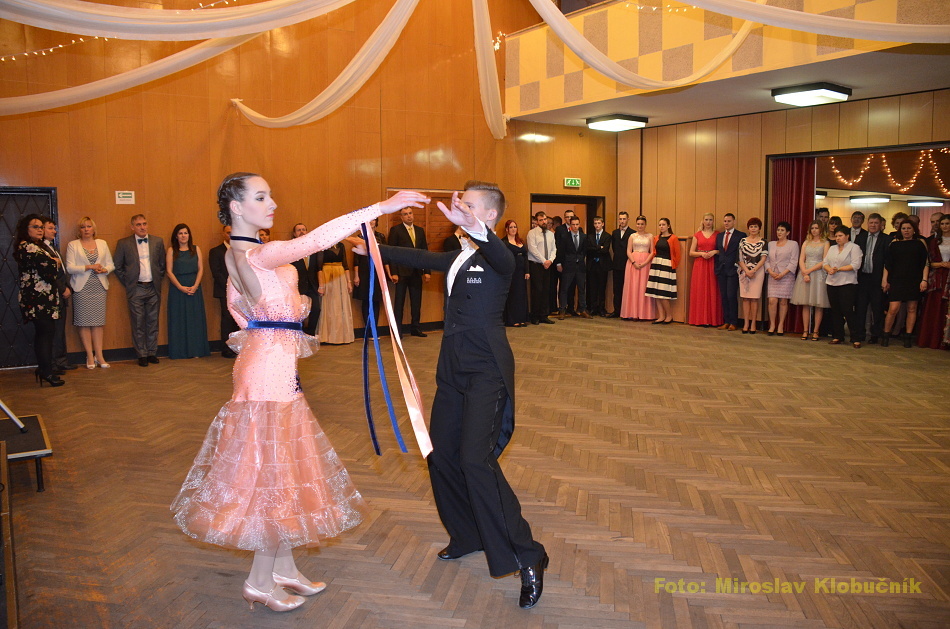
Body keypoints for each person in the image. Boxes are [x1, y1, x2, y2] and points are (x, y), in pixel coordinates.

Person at [172, 172, 427, 613]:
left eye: (270, 194)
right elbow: (317, 239)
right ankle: (259, 580)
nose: (272, 203)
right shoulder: (259, 253)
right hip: (267, 369)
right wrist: (379, 209)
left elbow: (243, 309)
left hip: (269, 362)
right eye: (260, 197)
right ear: (236, 207)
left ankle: (284, 567)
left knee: (282, 466)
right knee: (273, 473)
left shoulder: (239, 253)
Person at [367, 181, 549, 609]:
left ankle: (528, 555)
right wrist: (372, 249)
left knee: (475, 460)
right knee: (441, 454)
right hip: (452, 368)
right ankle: (467, 534)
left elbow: (498, 253)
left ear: (489, 216)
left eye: (469, 207)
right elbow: (420, 258)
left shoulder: (502, 256)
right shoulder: (459, 256)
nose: (459, 211)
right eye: (459, 205)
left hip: (487, 369)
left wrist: (477, 229)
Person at [14, 214, 64, 387]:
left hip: (41, 298)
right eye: (35, 227)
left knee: (46, 333)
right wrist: (55, 262)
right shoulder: (28, 246)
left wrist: (53, 262)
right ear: (26, 229)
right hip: (37, 299)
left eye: (41, 227)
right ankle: (46, 371)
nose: (40, 230)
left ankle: (44, 369)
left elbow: (48, 266)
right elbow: (49, 271)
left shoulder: (36, 246)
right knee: (45, 334)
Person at [113, 214, 166, 367]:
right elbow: (117, 266)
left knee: (153, 321)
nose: (142, 227)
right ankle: (141, 354)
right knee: (137, 323)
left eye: (144, 224)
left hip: (153, 287)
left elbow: (162, 265)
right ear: (132, 227)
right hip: (136, 288)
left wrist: (158, 278)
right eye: (138, 225)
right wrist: (129, 282)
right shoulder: (123, 243)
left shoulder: (157, 241)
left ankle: (152, 352)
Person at [65, 216, 114, 368]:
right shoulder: (73, 245)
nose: (86, 229)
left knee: (98, 323)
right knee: (84, 323)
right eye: (83, 227)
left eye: (89, 226)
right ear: (79, 230)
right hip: (81, 288)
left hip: (99, 287)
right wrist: (89, 267)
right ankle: (89, 356)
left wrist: (104, 269)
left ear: (94, 229)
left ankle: (99, 356)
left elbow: (110, 264)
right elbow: (70, 268)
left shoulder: (102, 243)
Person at [881, 219, 930, 347]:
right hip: (897, 279)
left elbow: (925, 263)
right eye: (903, 228)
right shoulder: (894, 243)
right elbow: (887, 264)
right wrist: (885, 280)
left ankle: (908, 336)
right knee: (893, 309)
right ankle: (886, 335)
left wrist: (924, 280)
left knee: (912, 308)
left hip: (914, 280)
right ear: (900, 230)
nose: (906, 231)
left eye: (909, 228)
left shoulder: (920, 243)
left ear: (914, 230)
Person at [166, 223, 210, 359]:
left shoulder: (196, 249)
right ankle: (179, 352)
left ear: (189, 235)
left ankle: (196, 350)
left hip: (194, 288)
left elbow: (201, 269)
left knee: (194, 320)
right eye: (180, 233)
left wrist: (195, 286)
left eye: (185, 233)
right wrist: (180, 287)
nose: (183, 236)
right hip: (177, 289)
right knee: (178, 320)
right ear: (176, 236)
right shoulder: (171, 250)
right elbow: (169, 271)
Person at [388, 207, 431, 337]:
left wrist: (427, 271)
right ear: (401, 217)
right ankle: (397, 330)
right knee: (399, 303)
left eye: (410, 213)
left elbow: (424, 251)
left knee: (416, 302)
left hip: (416, 271)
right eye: (405, 214)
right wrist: (394, 272)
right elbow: (391, 252)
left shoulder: (420, 230)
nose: (409, 216)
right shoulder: (396, 230)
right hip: (401, 272)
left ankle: (415, 328)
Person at [42, 218, 75, 373]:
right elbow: (50, 275)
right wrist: (62, 289)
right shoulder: (41, 249)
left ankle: (61, 360)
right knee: (52, 331)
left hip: (61, 295)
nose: (54, 231)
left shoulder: (53, 247)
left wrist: (68, 287)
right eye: (50, 228)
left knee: (60, 330)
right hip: (52, 295)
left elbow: (62, 272)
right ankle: (52, 364)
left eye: (54, 228)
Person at [823, 226, 864, 348]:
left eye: (840, 236)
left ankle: (855, 337)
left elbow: (856, 265)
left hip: (847, 283)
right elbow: (825, 263)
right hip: (832, 282)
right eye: (836, 236)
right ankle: (838, 336)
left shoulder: (854, 247)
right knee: (835, 310)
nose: (838, 238)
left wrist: (839, 269)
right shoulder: (832, 248)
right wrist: (829, 269)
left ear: (847, 236)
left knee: (848, 310)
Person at [854, 213, 891, 344]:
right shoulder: (861, 237)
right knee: (860, 308)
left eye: (876, 223)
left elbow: (888, 261)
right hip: (862, 278)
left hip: (878, 279)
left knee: (877, 309)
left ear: (881, 224)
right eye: (871, 223)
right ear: (867, 224)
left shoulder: (886, 239)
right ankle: (859, 334)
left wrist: (886, 280)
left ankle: (875, 335)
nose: (873, 225)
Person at [791, 221, 830, 341]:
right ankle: (805, 330)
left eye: (816, 228)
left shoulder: (825, 243)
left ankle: (816, 331)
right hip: (805, 274)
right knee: (806, 303)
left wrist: (809, 270)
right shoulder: (806, 242)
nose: (814, 230)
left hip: (818, 274)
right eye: (812, 228)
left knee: (818, 304)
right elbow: (801, 259)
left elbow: (824, 261)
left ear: (821, 229)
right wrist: (804, 271)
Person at [918, 214, 950, 349]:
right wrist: (941, 264)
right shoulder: (934, 241)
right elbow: (929, 262)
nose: (944, 226)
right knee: (934, 308)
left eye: (947, 223)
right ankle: (932, 340)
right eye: (942, 224)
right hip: (936, 278)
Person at [352, 217, 388, 333]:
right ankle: (368, 330)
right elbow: (356, 259)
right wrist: (356, 275)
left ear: (376, 221)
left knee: (376, 300)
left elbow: (386, 256)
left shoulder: (381, 236)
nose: (372, 221)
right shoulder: (359, 237)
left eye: (374, 219)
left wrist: (388, 273)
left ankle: (375, 329)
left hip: (377, 271)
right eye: (369, 219)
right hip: (364, 271)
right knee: (366, 300)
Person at [316, 241, 354, 344]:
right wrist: (321, 285)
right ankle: (328, 337)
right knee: (329, 305)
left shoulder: (341, 245)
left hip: (340, 275)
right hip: (327, 275)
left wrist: (349, 282)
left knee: (340, 305)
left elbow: (346, 265)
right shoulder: (322, 245)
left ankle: (342, 336)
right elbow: (319, 268)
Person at [209, 225, 239, 358]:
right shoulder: (216, 251)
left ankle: (237, 347)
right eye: (228, 233)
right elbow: (216, 273)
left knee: (237, 320)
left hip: (240, 291)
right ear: (223, 234)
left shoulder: (240, 250)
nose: (231, 235)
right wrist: (229, 287)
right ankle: (226, 348)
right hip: (224, 290)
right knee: (227, 319)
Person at [687, 213, 721, 327]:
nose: (708, 222)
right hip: (700, 265)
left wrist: (714, 252)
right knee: (700, 291)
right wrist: (701, 254)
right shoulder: (697, 235)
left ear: (713, 221)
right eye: (706, 219)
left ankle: (712, 319)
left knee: (713, 290)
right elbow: (691, 252)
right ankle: (700, 319)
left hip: (713, 264)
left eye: (710, 220)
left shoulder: (718, 234)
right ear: (703, 221)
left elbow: (722, 251)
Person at [765, 222, 799, 335]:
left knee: (783, 301)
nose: (779, 232)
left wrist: (782, 274)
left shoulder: (793, 244)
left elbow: (794, 261)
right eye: (778, 230)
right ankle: (772, 325)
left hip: (786, 276)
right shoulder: (771, 244)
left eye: (782, 230)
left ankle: (781, 325)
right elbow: (766, 260)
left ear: (787, 232)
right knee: (772, 301)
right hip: (773, 275)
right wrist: (770, 271)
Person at [645, 218, 680, 324]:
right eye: (660, 225)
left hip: (666, 266)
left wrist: (672, 266)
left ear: (668, 226)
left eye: (663, 224)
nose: (661, 226)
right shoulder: (656, 238)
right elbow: (654, 251)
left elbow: (677, 255)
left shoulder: (673, 238)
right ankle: (661, 316)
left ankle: (669, 316)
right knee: (656, 293)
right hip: (656, 265)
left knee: (663, 293)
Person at [555, 216, 591, 318]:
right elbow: (560, 251)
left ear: (579, 225)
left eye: (577, 224)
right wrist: (559, 263)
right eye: (573, 224)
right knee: (564, 288)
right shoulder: (565, 236)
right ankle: (562, 309)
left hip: (580, 266)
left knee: (581, 288)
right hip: (568, 265)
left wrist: (580, 259)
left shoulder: (584, 236)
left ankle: (582, 309)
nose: (575, 226)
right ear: (570, 225)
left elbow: (584, 251)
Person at [715, 213, 745, 331]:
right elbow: (719, 252)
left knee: (731, 296)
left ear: (734, 222)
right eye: (725, 221)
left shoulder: (740, 235)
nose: (726, 223)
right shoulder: (719, 236)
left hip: (733, 269)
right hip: (721, 270)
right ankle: (726, 321)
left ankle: (734, 322)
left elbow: (741, 253)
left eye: (729, 221)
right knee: (724, 296)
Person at [620, 216, 654, 320]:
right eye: (638, 224)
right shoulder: (632, 236)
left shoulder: (650, 236)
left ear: (645, 224)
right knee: (633, 287)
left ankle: (644, 313)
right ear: (636, 224)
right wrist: (633, 262)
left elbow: (652, 251)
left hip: (645, 263)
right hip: (632, 263)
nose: (640, 226)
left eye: (642, 224)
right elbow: (628, 251)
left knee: (643, 287)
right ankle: (632, 312)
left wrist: (645, 262)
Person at [290, 224, 321, 336]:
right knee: (299, 312)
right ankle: (300, 335)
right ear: (294, 234)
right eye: (298, 230)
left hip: (312, 285)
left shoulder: (313, 248)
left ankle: (311, 334)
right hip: (298, 286)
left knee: (316, 309)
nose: (301, 232)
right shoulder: (291, 249)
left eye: (303, 229)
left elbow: (318, 268)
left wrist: (321, 285)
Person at [737, 217, 767, 334]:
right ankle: (746, 323)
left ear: (759, 228)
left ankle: (754, 323)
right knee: (745, 298)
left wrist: (753, 270)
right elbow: (740, 258)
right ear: (748, 228)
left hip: (757, 273)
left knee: (754, 299)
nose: (753, 229)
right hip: (744, 272)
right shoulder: (742, 241)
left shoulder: (764, 242)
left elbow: (763, 259)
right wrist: (747, 271)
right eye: (751, 226)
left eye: (755, 226)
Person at [526, 211, 556, 324]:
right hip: (536, 265)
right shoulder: (532, 233)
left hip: (548, 265)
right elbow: (532, 249)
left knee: (546, 290)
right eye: (541, 220)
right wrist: (544, 261)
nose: (543, 222)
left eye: (544, 219)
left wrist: (550, 260)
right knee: (537, 290)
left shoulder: (551, 234)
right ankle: (535, 316)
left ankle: (544, 315)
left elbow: (554, 249)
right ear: (537, 221)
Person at [502, 219, 530, 327]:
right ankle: (513, 320)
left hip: (521, 272)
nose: (513, 229)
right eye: (511, 227)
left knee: (521, 295)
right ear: (507, 229)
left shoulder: (520, 241)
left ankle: (522, 318)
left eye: (515, 227)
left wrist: (527, 271)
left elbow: (525, 257)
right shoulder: (504, 242)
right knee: (513, 295)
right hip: (511, 273)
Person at [608, 211, 634, 317]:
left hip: (628, 264)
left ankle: (627, 311)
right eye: (620, 219)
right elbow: (614, 248)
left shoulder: (632, 233)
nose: (622, 221)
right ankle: (617, 311)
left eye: (624, 219)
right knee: (617, 288)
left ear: (628, 219)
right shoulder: (614, 233)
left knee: (627, 289)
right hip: (617, 264)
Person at [585, 216, 611, 317]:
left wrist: (595, 248)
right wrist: (599, 247)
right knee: (593, 287)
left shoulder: (607, 236)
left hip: (602, 265)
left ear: (602, 224)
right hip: (592, 265)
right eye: (595, 223)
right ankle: (593, 308)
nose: (597, 225)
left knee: (602, 287)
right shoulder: (590, 236)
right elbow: (588, 249)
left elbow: (605, 250)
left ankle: (601, 308)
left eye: (599, 223)